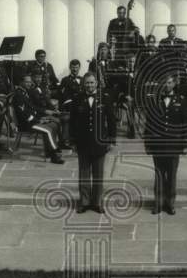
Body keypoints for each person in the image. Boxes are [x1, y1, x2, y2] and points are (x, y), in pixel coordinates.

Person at [143, 74, 187, 215]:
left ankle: (170, 204)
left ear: (174, 84)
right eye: (164, 82)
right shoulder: (154, 101)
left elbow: (185, 124)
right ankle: (158, 204)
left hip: (174, 145)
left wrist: (185, 144)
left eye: (169, 83)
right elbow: (149, 124)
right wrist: (147, 143)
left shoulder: (182, 101)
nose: (167, 85)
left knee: (171, 175)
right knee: (159, 174)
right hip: (158, 145)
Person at [70, 73, 117, 212]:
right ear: (84, 84)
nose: (89, 85)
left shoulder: (105, 98)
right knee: (84, 173)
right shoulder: (77, 98)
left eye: (92, 82)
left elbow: (111, 119)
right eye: (87, 83)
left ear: (97, 83)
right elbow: (72, 121)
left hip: (100, 142)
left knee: (98, 173)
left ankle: (97, 202)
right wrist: (72, 140)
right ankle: (84, 202)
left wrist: (111, 139)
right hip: (83, 141)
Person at [12, 75, 65, 163]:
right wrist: (38, 120)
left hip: (32, 120)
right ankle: (54, 155)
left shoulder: (25, 92)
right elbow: (23, 115)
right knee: (48, 130)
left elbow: (32, 108)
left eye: (30, 82)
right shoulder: (18, 95)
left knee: (54, 125)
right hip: (26, 124)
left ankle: (50, 150)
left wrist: (44, 114)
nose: (29, 84)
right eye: (26, 82)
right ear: (21, 82)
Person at [58, 59, 85, 149]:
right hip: (70, 106)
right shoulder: (65, 80)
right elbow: (63, 96)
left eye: (76, 67)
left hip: (81, 105)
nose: (75, 69)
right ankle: (69, 140)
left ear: (79, 68)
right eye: (73, 67)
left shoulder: (83, 79)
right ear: (70, 68)